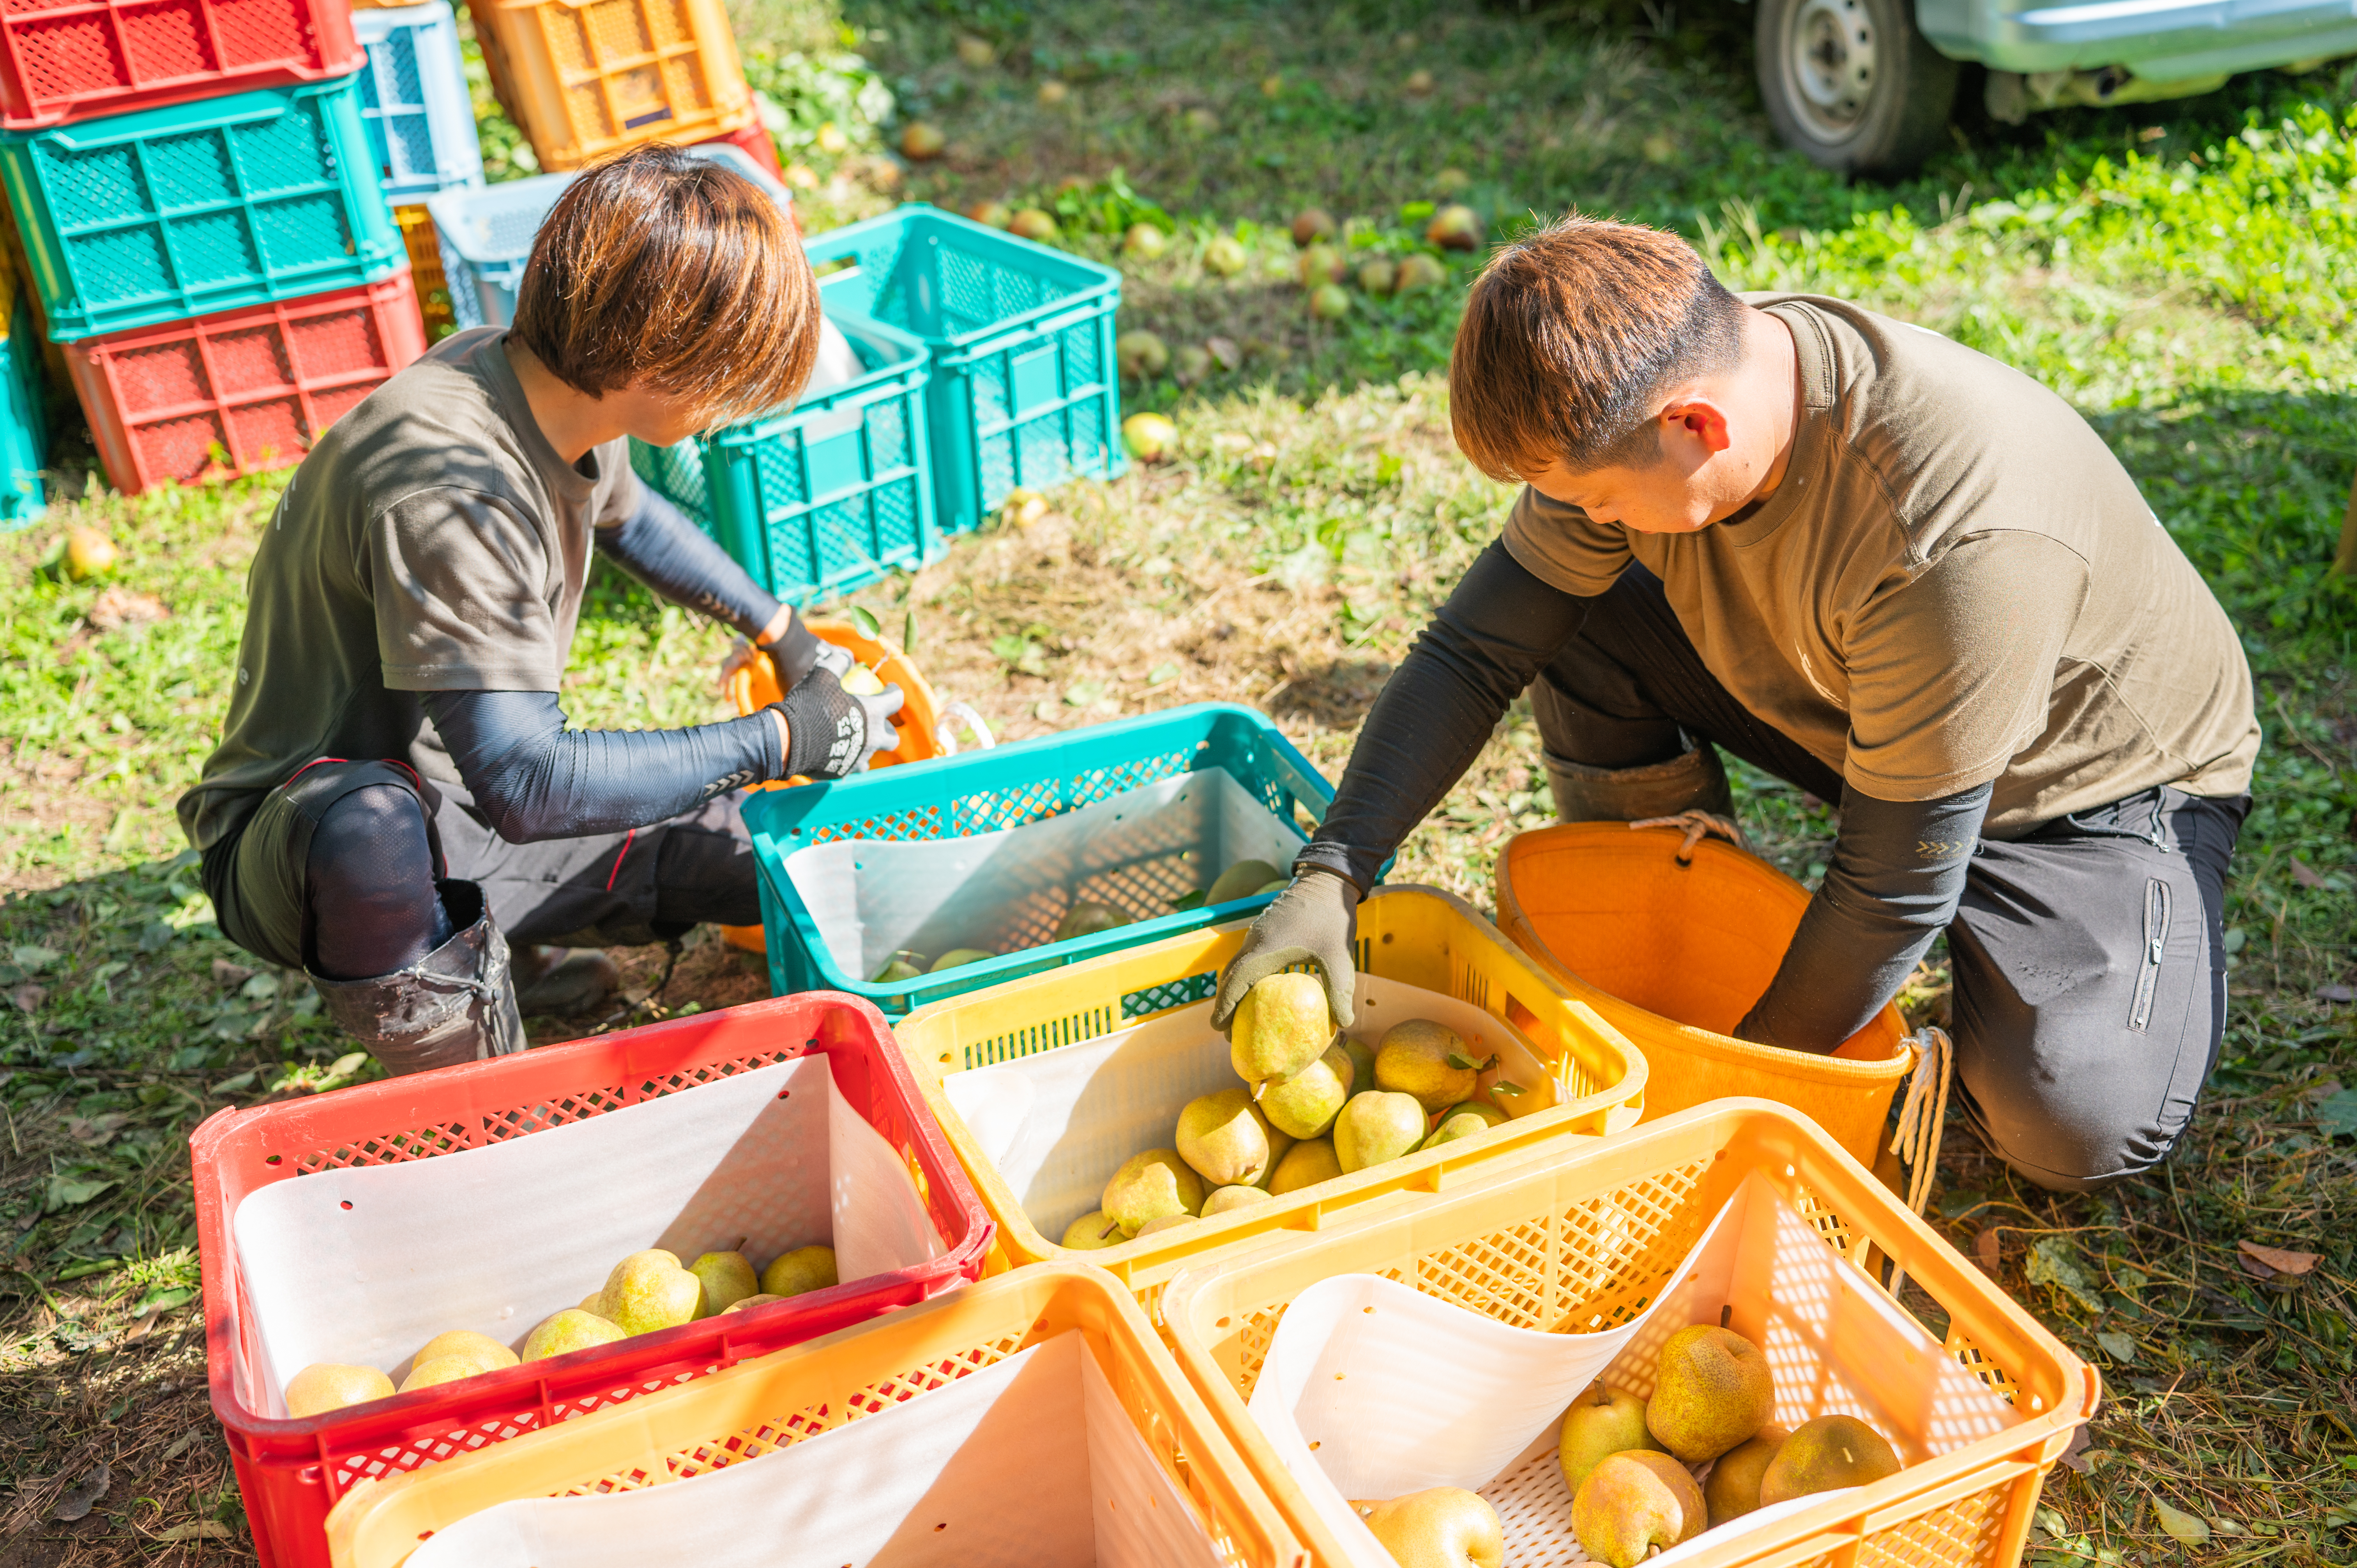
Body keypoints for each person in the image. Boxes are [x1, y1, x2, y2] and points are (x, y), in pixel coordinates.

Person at [1214, 215, 2258, 1194]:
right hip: (1856, 702)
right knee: (1573, 616)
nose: (1587, 519)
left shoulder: (1950, 530)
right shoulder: (1659, 380)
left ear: (1695, 426)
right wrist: (1334, 867)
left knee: (2071, 1120)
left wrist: (1725, 1095)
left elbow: (1890, 888)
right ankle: (1679, 895)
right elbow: (1476, 651)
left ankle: (1998, 931)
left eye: (1598, 499)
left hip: (2081, 787)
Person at [177, 146, 903, 1075]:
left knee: (771, 847)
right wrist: (776, 739)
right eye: (731, 374)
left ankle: (500, 935)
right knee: (371, 821)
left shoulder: (534, 382)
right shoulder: (454, 485)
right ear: (657, 354)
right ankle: (471, 1099)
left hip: (467, 804)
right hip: (311, 848)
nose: (733, 404)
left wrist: (783, 632)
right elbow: (528, 781)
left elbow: (639, 522)